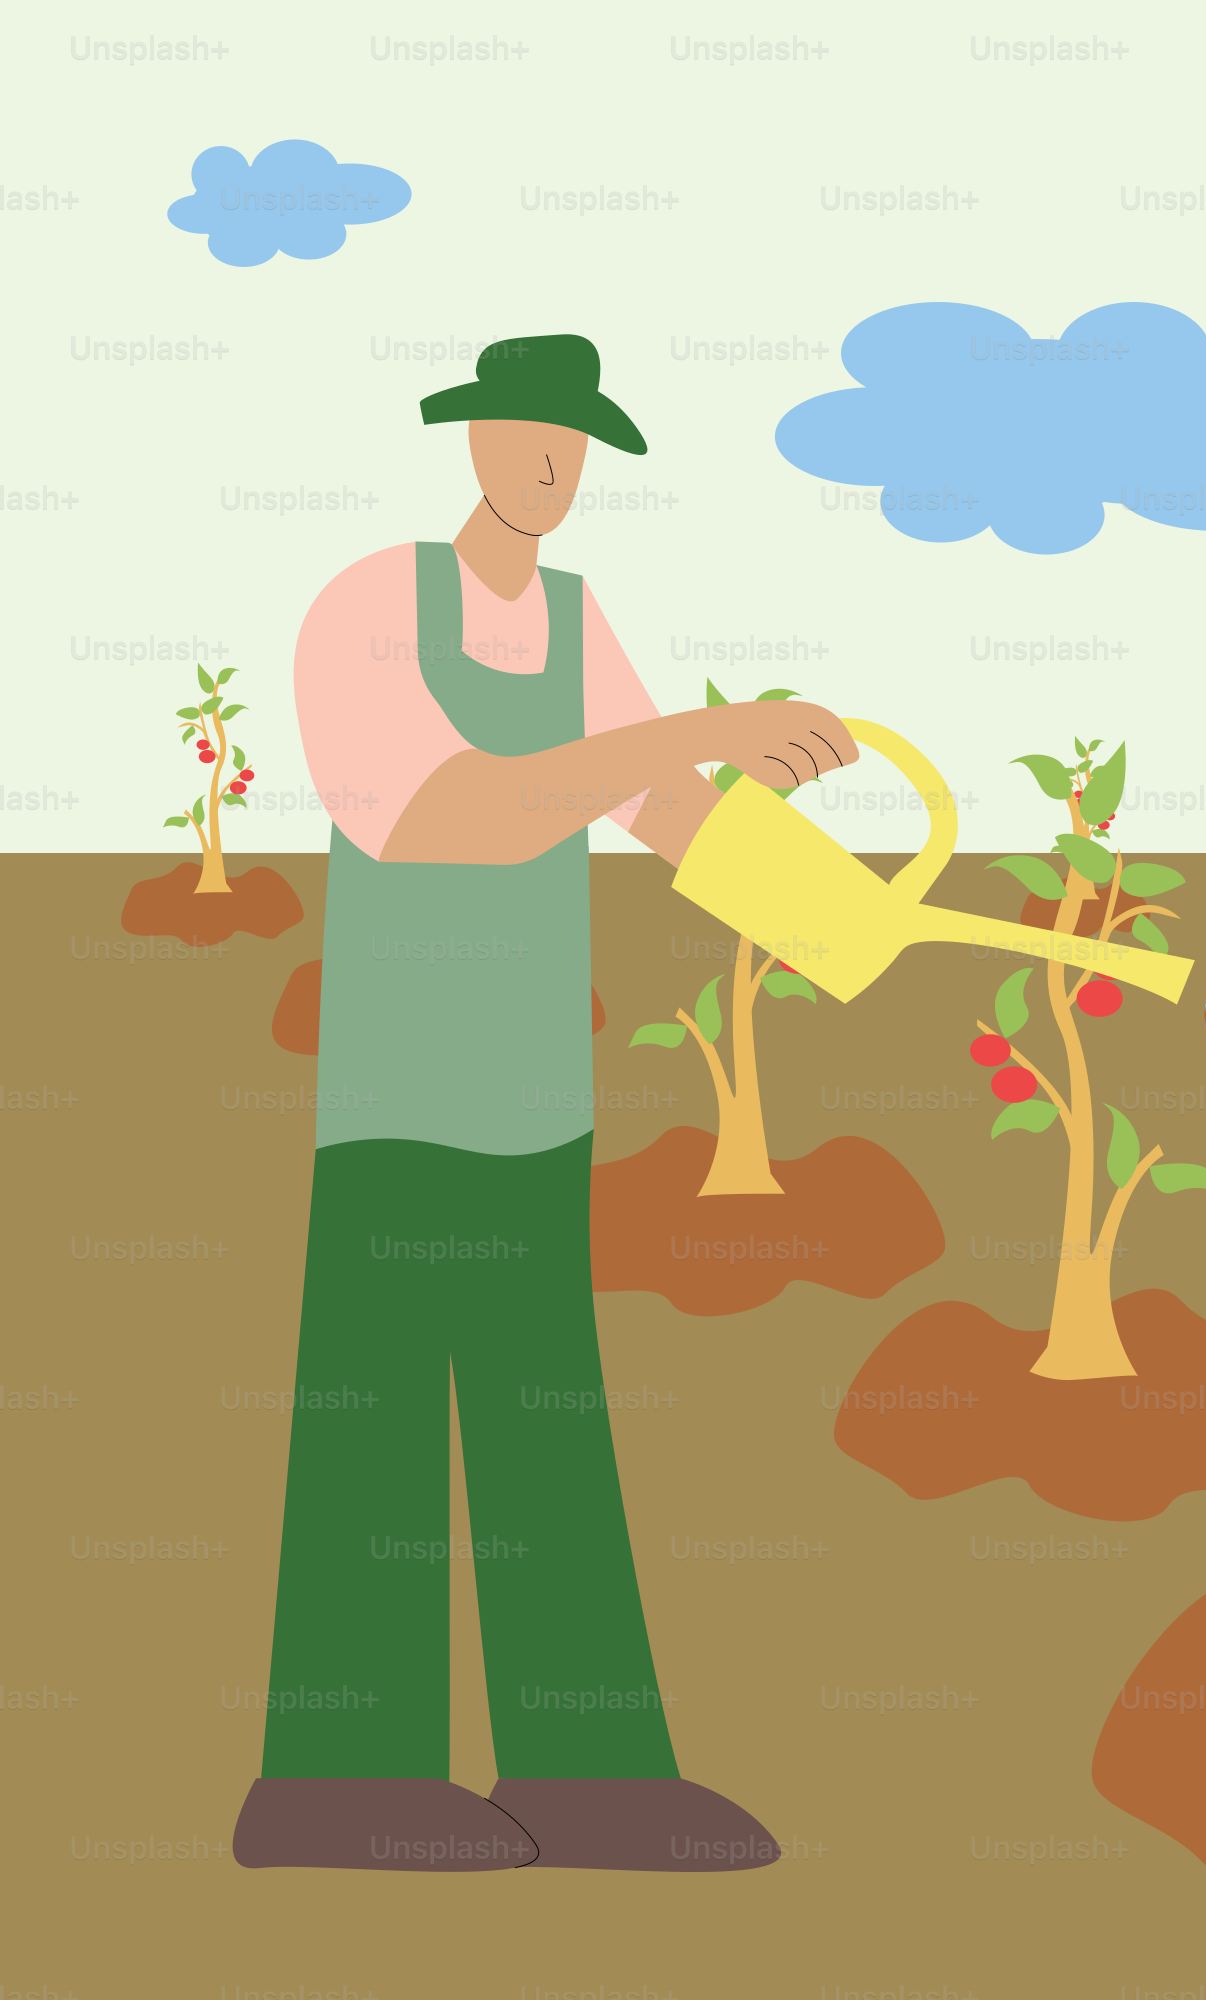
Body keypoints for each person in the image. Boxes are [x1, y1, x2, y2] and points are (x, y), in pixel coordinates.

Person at [233, 334, 857, 1871]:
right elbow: (455, 816)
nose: (550, 465)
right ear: (476, 438)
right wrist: (701, 730)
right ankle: (333, 1778)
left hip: (532, 1096)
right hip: (397, 1095)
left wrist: (850, 926)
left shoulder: (580, 627)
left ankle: (591, 1771)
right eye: (528, 433)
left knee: (545, 1420)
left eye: (576, 445)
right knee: (371, 1420)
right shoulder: (372, 609)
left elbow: (668, 814)